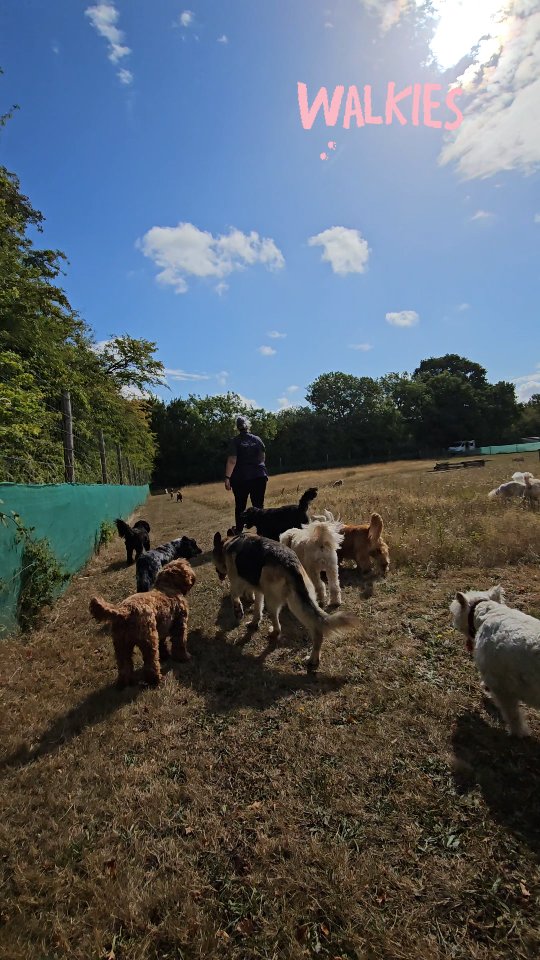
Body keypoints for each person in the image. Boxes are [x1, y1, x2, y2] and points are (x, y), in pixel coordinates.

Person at [224, 415, 268, 533]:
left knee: (240, 506)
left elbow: (232, 460)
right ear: (248, 426)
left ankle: (239, 531)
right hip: (259, 476)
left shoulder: (235, 441)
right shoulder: (257, 439)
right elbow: (262, 457)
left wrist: (227, 478)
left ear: (237, 427)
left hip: (240, 478)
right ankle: (262, 531)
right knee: (258, 505)